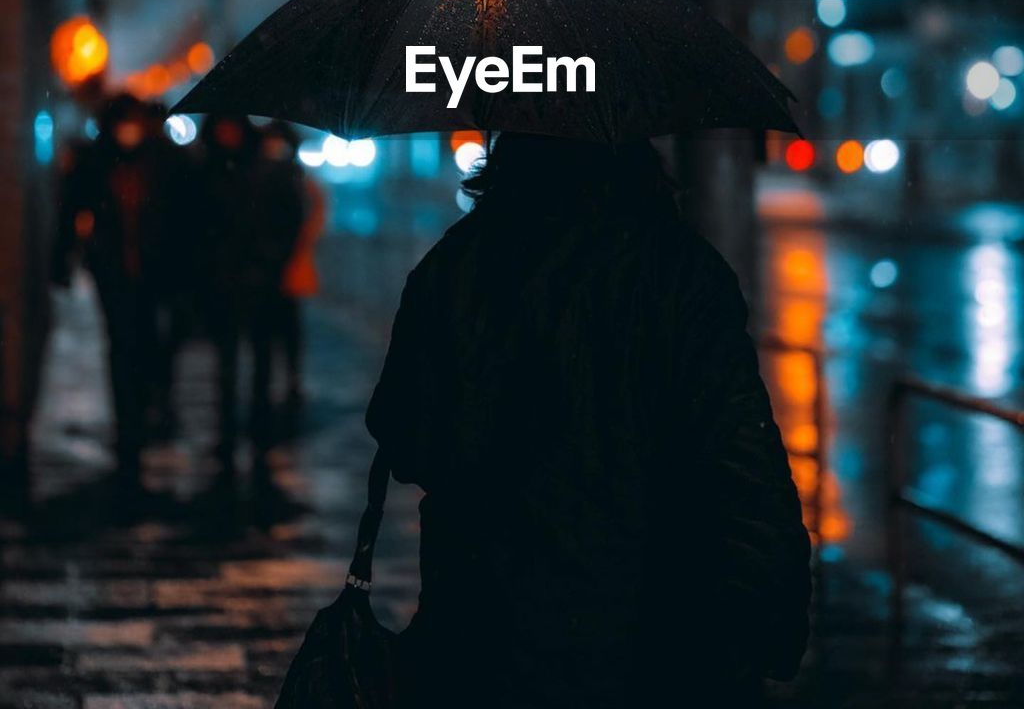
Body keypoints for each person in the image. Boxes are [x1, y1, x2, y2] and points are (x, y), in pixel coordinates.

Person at [366, 133, 811, 709]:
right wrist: (767, 618)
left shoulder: (456, 266)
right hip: (653, 639)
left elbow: (405, 437)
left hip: (487, 632)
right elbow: (741, 463)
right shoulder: (681, 271)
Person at [52, 93, 186, 487]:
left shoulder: (163, 162)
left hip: (154, 269)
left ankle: (144, 408)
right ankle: (129, 424)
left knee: (148, 342)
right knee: (120, 342)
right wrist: (63, 261)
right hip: (112, 269)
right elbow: (71, 211)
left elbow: (185, 214)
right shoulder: (96, 162)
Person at [200, 114, 304, 473]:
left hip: (261, 281)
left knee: (261, 361)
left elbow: (291, 218)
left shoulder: (267, 170)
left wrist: (269, 260)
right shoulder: (207, 171)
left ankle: (258, 434)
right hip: (223, 281)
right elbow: (196, 225)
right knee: (226, 363)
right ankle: (227, 434)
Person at [260, 121, 326, 410]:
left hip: (289, 266)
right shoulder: (260, 177)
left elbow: (315, 213)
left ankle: (289, 379)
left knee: (289, 330)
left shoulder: (299, 180)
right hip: (265, 266)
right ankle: (273, 382)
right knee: (271, 331)